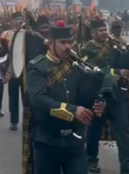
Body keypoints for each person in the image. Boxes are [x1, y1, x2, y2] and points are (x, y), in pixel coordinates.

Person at [25, 20, 108, 174]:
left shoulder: (76, 65)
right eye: (63, 43)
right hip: (47, 141)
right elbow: (38, 99)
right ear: (50, 43)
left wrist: (98, 102)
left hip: (74, 141)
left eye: (70, 42)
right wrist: (72, 111)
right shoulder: (37, 67)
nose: (68, 47)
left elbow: (84, 96)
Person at [80, 16, 129, 174]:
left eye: (105, 30)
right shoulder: (86, 49)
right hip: (98, 95)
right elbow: (91, 71)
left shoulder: (115, 45)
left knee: (123, 129)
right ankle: (91, 161)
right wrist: (117, 72)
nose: (104, 33)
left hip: (116, 94)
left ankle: (127, 165)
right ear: (93, 32)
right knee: (94, 129)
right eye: (100, 31)